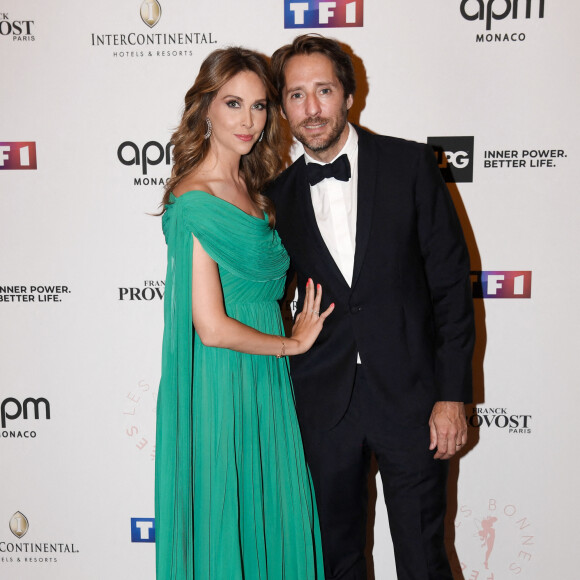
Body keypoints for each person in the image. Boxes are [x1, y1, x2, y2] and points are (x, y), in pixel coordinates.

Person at [267, 34, 475, 580]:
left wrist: (452, 395)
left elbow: (451, 288)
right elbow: (262, 296)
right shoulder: (276, 197)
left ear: (349, 95)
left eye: (324, 91)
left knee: (423, 558)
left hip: (413, 401)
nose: (311, 110)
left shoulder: (409, 166)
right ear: (282, 105)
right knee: (336, 561)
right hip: (321, 403)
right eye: (295, 95)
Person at [155, 47, 332, 580]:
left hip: (268, 383)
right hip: (223, 383)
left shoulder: (259, 194)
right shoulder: (192, 201)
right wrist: (293, 344)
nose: (249, 121)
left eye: (259, 107)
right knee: (229, 521)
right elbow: (209, 327)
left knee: (272, 517)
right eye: (233, 104)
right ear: (205, 107)